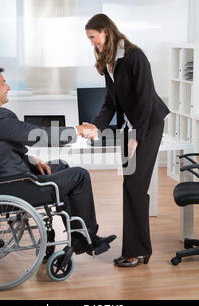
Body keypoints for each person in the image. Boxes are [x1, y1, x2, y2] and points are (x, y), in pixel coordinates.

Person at [0, 65, 116, 255]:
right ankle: (87, 237)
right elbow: (40, 135)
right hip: (17, 186)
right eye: (4, 83)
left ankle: (80, 236)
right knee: (79, 175)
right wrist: (78, 130)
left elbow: (1, 148)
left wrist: (32, 159)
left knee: (61, 165)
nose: (8, 87)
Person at [83, 14, 170, 267]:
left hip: (148, 125)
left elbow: (144, 101)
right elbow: (110, 103)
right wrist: (94, 126)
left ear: (105, 32)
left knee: (134, 186)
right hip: (131, 127)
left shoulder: (135, 56)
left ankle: (137, 251)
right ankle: (138, 248)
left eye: (93, 37)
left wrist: (136, 139)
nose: (92, 43)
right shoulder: (110, 61)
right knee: (132, 186)